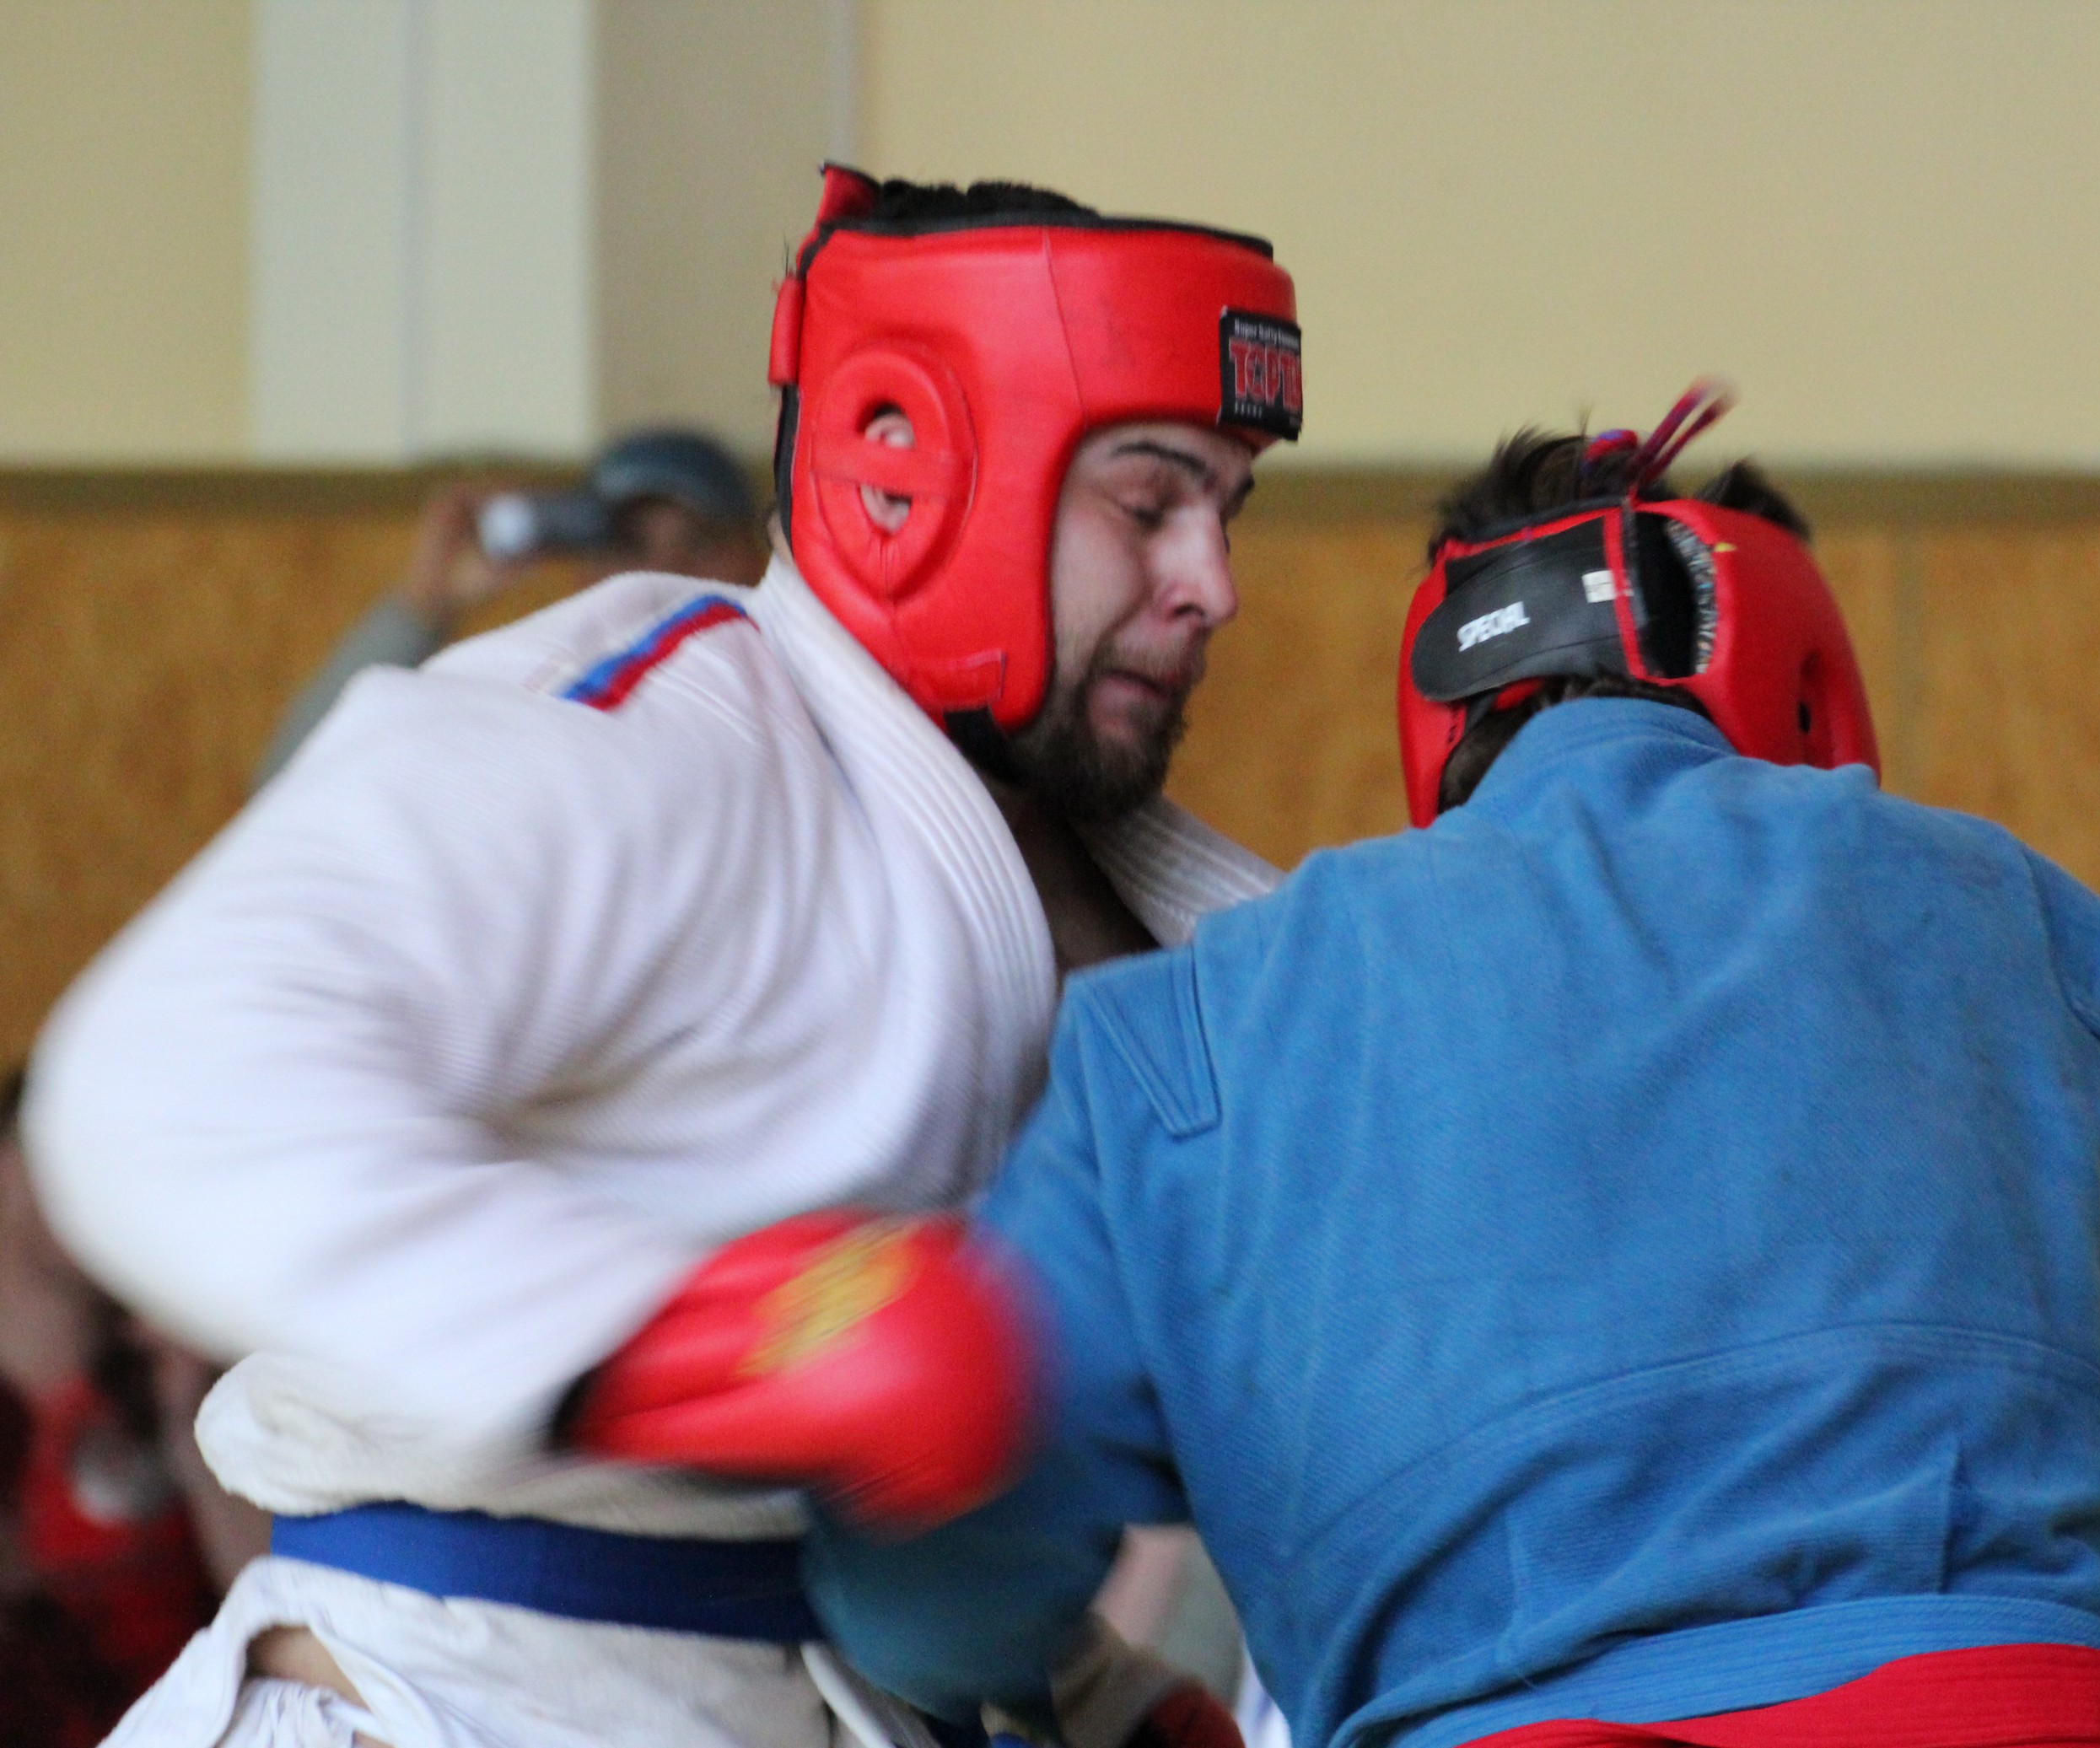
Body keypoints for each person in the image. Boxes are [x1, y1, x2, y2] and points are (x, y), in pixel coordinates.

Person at [24, 168, 1304, 1748]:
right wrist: (671, 1344)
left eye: (1229, 511)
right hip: (427, 1699)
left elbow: (896, 1524)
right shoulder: (658, 732)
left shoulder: (1152, 925)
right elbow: (167, 1074)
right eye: (1150, 502)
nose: (1212, 584)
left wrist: (1095, 1699)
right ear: (908, 464)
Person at [733, 390, 2100, 1748]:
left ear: (1446, 718)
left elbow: (940, 1584)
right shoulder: (2009, 917)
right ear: (1801, 687)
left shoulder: (1203, 1020)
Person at [255, 428, 767, 787]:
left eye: (700, 543)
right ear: (585, 570)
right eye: (629, 545)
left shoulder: (786, 698)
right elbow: (293, 785)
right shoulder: (543, 704)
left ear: (756, 557)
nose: (664, 570)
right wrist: (425, 603)